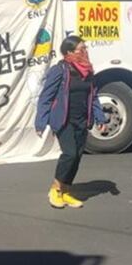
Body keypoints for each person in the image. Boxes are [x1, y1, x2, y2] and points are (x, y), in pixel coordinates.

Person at [34, 36, 108, 209]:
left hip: (82, 119)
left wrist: (100, 117)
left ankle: (66, 192)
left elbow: (93, 96)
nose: (85, 52)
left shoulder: (88, 71)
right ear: (69, 53)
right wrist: (41, 122)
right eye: (80, 49)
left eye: (85, 48)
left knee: (78, 157)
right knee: (70, 154)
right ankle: (55, 189)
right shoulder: (59, 70)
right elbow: (46, 97)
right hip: (63, 119)